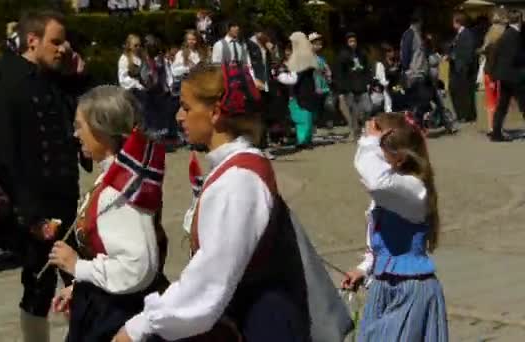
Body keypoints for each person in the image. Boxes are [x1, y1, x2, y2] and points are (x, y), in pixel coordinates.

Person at [113, 63, 353, 342]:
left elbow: (210, 280)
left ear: (215, 113)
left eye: (187, 108)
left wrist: (141, 326)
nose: (179, 116)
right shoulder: (236, 167)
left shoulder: (238, 180)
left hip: (264, 328)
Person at [0, 10, 81, 341]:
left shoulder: (52, 76)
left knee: (81, 281)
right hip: (37, 209)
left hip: (66, 200)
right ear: (32, 40)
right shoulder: (9, 81)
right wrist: (31, 215)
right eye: (55, 41)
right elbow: (4, 156)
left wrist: (76, 76)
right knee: (38, 288)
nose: (63, 48)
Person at [49, 85, 168, 341]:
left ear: (102, 129)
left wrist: (77, 266)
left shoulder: (119, 190)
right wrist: (80, 288)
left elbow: (137, 267)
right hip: (108, 306)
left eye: (80, 125)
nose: (75, 133)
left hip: (118, 315)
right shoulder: (113, 178)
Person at [342, 112, 447, 341]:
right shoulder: (392, 193)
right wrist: (364, 268)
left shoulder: (413, 189)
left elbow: (376, 181)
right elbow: (380, 243)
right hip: (384, 287)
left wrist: (370, 142)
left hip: (410, 290)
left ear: (399, 158)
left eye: (379, 152)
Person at [278, 32, 320, 148]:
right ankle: (303, 140)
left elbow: (295, 78)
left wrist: (281, 76)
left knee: (304, 118)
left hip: (302, 93)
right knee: (304, 118)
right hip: (299, 93)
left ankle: (304, 141)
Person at [490, 9, 525, 142]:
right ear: (520, 20)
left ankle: (496, 133)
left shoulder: (505, 34)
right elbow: (516, 56)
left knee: (502, 106)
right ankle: (496, 133)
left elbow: (497, 53)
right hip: (515, 76)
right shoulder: (515, 35)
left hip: (504, 75)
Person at [336, 32, 372, 140]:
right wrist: (343, 89)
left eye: (354, 41)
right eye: (350, 41)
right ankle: (355, 132)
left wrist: (368, 81)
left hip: (362, 86)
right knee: (354, 112)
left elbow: (367, 69)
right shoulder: (342, 55)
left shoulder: (362, 53)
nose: (353, 43)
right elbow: (340, 73)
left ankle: (365, 129)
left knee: (368, 109)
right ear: (347, 42)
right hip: (350, 88)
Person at [247, 29, 275, 159]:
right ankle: (256, 147)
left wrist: (272, 50)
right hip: (255, 84)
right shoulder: (248, 45)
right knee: (255, 117)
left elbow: (271, 63)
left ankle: (264, 146)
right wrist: (254, 80)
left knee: (264, 117)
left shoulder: (265, 44)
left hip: (266, 84)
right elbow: (247, 65)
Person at [400, 11, 431, 126]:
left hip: (420, 73)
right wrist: (407, 69)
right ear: (418, 22)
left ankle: (418, 125)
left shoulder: (418, 34)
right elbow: (405, 54)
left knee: (422, 101)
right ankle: (414, 126)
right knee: (417, 102)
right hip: (414, 74)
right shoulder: (409, 34)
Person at [479, 8, 507, 136]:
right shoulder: (499, 44)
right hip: (497, 75)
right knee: (499, 102)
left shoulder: (488, 44)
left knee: (491, 102)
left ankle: (492, 126)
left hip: (488, 74)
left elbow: (483, 54)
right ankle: (497, 127)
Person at [449, 11, 478, 123]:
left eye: (453, 21)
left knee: (463, 92)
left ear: (458, 22)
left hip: (462, 69)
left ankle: (466, 115)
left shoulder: (467, 34)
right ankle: (463, 114)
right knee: (457, 91)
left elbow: (468, 52)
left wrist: (456, 59)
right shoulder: (459, 34)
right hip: (457, 68)